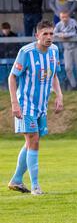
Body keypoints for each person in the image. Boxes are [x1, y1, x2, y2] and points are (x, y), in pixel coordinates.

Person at [7, 20, 64, 196]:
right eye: (45, 34)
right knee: (34, 140)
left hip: (41, 106)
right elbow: (12, 78)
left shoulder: (54, 51)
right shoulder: (26, 52)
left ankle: (16, 179)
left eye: (51, 34)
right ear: (37, 35)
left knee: (32, 142)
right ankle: (36, 186)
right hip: (25, 105)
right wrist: (14, 104)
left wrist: (59, 95)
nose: (48, 37)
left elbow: (53, 75)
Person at [54, 11, 77, 91]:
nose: (64, 19)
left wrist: (65, 35)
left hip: (76, 47)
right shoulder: (59, 24)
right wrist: (60, 35)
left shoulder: (73, 22)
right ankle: (73, 85)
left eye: (65, 17)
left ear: (68, 16)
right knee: (68, 68)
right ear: (60, 17)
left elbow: (76, 32)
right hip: (67, 49)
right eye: (62, 17)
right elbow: (54, 33)